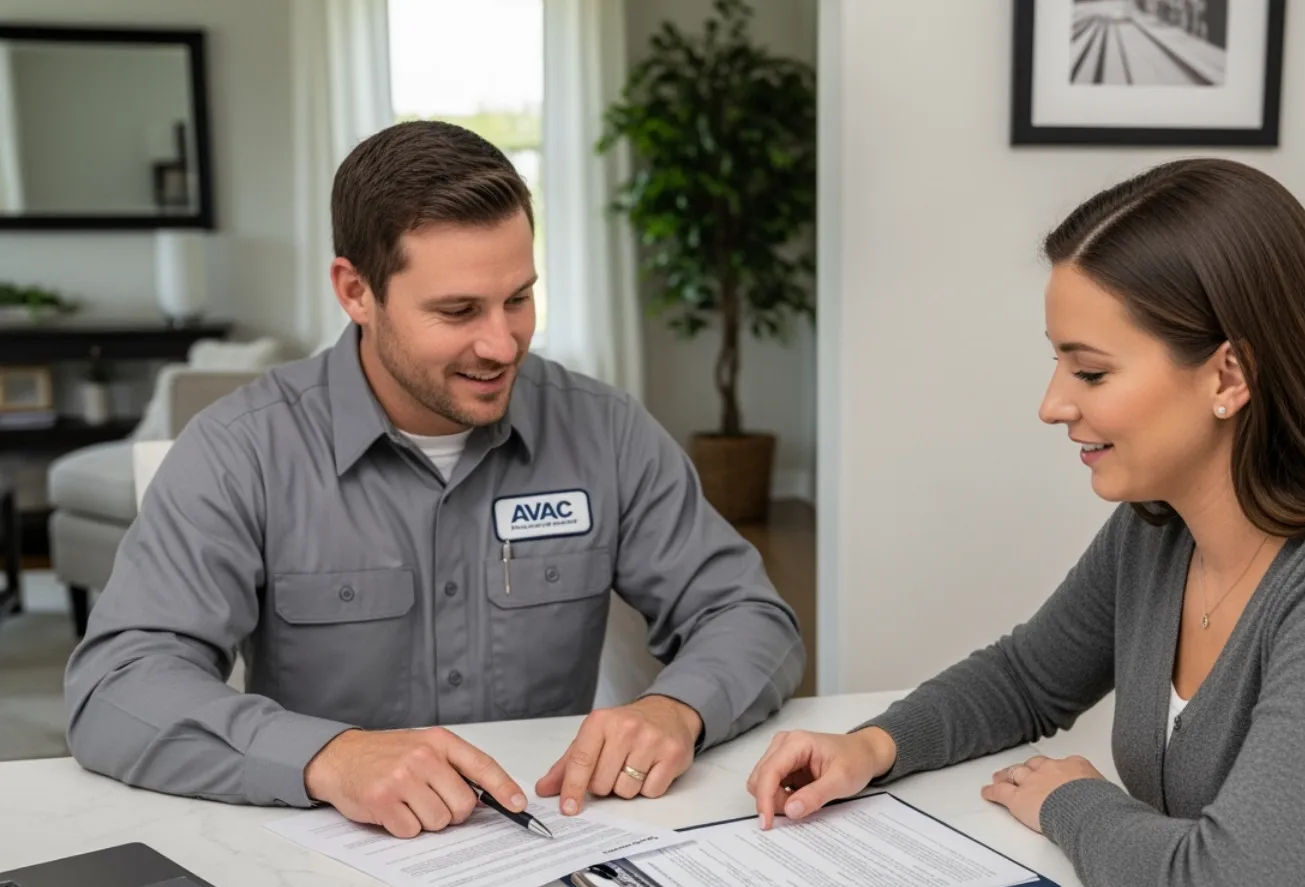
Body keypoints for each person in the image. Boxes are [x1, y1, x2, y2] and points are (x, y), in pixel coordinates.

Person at [745, 158, 1305, 887]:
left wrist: (1072, 802)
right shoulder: (1160, 528)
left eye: (1089, 373)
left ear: (1228, 377)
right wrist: (872, 747)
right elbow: (1027, 678)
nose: (1053, 404)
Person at [65, 120, 803, 839]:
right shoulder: (242, 450)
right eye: (458, 311)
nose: (500, 342)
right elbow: (115, 688)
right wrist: (327, 757)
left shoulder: (604, 430)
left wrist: (677, 708)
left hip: (548, 842)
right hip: (328, 861)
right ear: (356, 292)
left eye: (518, 298)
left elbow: (749, 616)